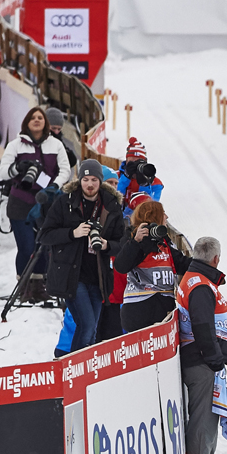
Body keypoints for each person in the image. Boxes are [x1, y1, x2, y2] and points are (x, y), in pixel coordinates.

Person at [38, 160, 122, 353]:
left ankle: (81, 372)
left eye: (94, 179)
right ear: (79, 180)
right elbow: (44, 235)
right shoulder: (65, 202)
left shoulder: (111, 206)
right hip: (71, 276)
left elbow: (122, 243)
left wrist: (107, 244)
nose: (89, 184)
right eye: (85, 179)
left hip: (98, 276)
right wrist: (72, 233)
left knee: (91, 332)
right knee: (87, 326)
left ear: (100, 181)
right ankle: (72, 370)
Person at [175, 236, 227, 454]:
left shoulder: (193, 277)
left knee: (205, 422)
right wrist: (215, 358)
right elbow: (202, 325)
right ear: (216, 259)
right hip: (200, 363)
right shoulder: (200, 285)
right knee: (204, 422)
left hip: (197, 358)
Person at [0, 106, 71, 277]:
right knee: (26, 247)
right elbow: (3, 172)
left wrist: (55, 186)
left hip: (47, 202)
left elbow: (65, 170)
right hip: (20, 202)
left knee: (44, 246)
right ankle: (24, 286)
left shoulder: (56, 144)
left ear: (45, 122)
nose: (37, 120)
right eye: (33, 118)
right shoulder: (15, 145)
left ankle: (39, 285)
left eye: (40, 117)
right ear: (26, 123)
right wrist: (18, 167)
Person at [115, 199, 191, 332]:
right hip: (139, 309)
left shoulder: (165, 243)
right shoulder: (132, 238)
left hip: (163, 309)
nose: (166, 217)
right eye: (163, 213)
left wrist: (205, 263)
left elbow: (182, 263)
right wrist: (136, 242)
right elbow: (121, 266)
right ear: (154, 216)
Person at [116, 138, 163, 218]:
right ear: (126, 161)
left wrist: (144, 182)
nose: (135, 166)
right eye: (132, 162)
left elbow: (150, 208)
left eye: (138, 162)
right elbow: (114, 199)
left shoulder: (156, 184)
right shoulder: (115, 177)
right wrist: (126, 177)